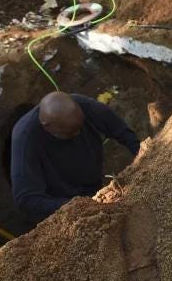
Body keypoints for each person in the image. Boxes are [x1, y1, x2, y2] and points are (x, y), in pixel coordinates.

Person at [11, 91, 140, 222]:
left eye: (80, 127)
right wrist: (76, 206)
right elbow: (26, 198)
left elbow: (123, 132)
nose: (77, 134)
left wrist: (145, 157)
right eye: (69, 133)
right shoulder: (25, 140)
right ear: (47, 126)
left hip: (93, 182)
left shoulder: (84, 105)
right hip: (63, 200)